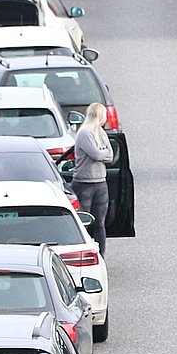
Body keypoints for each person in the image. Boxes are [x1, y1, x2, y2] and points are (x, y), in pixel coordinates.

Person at [69, 103, 112, 255]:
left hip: (101, 182)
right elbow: (97, 154)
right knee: (84, 222)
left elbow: (111, 155)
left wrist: (103, 153)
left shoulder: (101, 132)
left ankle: (101, 256)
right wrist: (103, 153)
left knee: (100, 223)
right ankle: (84, 253)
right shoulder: (85, 133)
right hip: (84, 183)